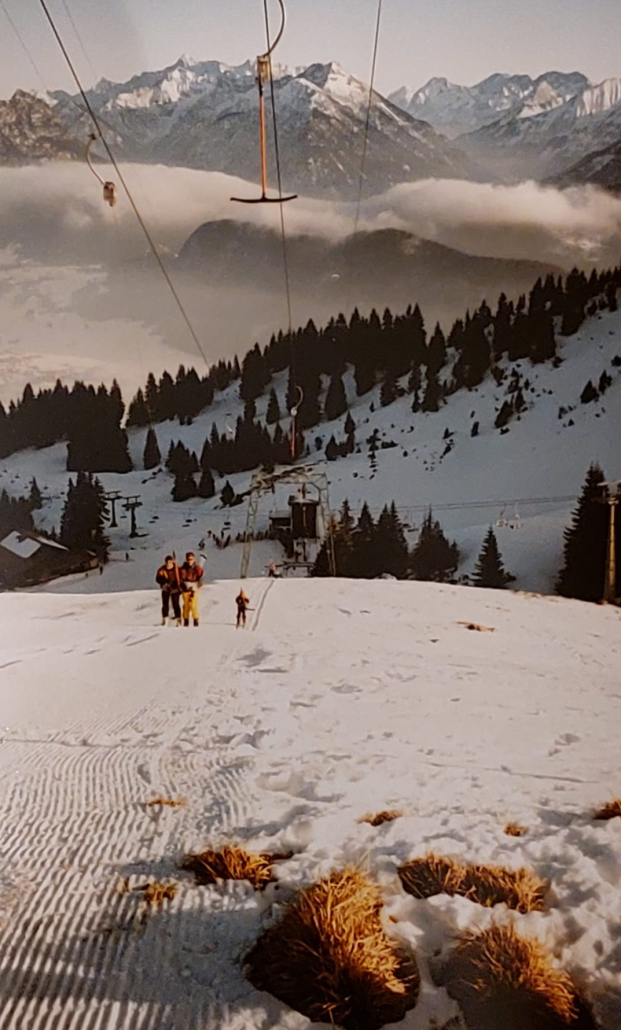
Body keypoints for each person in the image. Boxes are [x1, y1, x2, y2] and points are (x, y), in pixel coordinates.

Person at [156, 555, 182, 626]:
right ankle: (165, 619)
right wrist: (164, 583)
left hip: (175, 589)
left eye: (170, 562)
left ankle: (178, 620)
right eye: (168, 562)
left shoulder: (177, 569)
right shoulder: (161, 570)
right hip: (166, 588)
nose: (169, 563)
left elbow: (181, 578)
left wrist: (180, 586)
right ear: (165, 562)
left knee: (176, 605)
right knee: (165, 605)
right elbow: (158, 579)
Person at [180, 552, 204, 627]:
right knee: (186, 605)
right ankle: (186, 621)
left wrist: (198, 585)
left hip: (194, 587)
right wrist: (183, 586)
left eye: (191, 559)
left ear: (193, 559)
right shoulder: (183, 569)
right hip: (186, 588)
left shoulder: (197, 568)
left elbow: (201, 578)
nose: (189, 561)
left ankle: (195, 620)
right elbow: (180, 579)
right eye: (188, 559)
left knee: (193, 605)